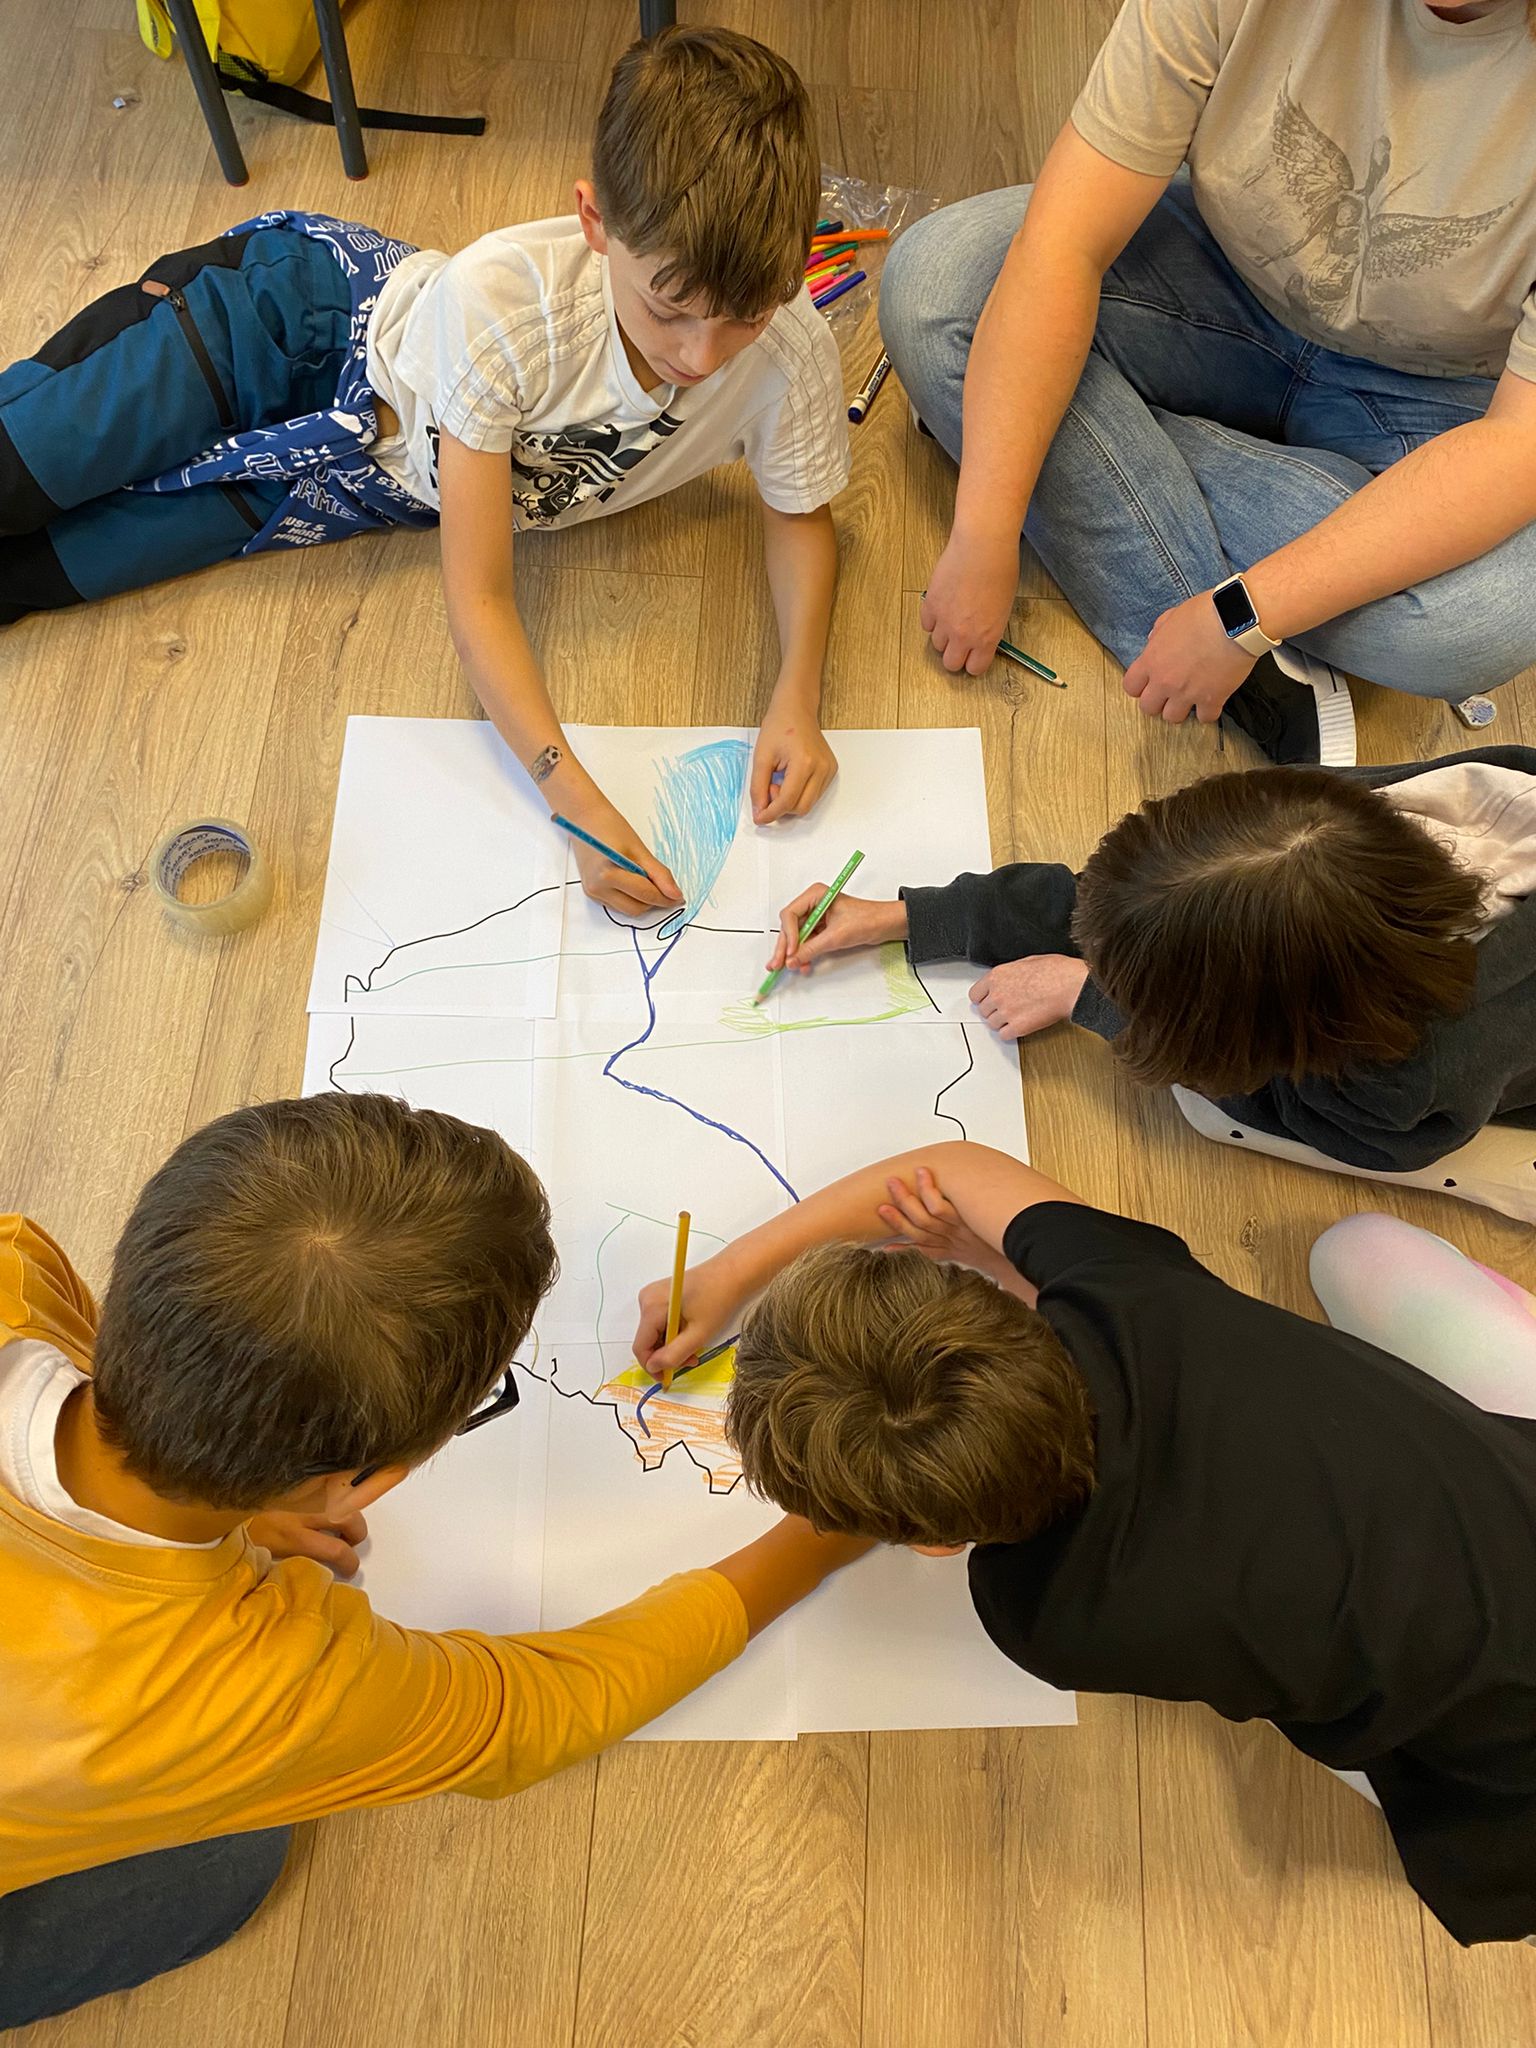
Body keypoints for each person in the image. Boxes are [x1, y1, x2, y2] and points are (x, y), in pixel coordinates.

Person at [0, 1093, 864, 2029]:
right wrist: (827, 1528)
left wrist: (235, 1495)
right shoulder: (260, 1692)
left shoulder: (17, 1265)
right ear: (357, 1485)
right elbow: (533, 1710)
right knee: (228, 1863)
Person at [0, 26, 847, 912]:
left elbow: (798, 513)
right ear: (595, 222)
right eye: (669, 310)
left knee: (35, 574)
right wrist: (577, 805)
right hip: (279, 324)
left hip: (351, 483)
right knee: (17, 476)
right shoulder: (504, 306)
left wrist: (797, 693)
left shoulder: (792, 353)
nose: (703, 357)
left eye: (745, 316)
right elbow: (479, 598)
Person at [633, 1140, 1536, 1947]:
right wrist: (738, 1272)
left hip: (1508, 1784)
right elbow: (954, 1168)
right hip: (1513, 1503)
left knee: (1406, 1759)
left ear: (938, 1545)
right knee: (1355, 1249)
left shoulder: (1049, 1615)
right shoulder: (1132, 1293)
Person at [880, 0, 1536, 766]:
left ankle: (1063, 426)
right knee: (936, 287)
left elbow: (1516, 443)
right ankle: (1289, 604)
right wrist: (984, 533)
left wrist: (1241, 616)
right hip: (1218, 273)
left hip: (1437, 387)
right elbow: (1063, 244)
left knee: (1478, 621)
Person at [765, 745, 1536, 1176]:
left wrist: (1087, 994)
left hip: (1476, 1089)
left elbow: (1346, 1130)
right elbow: (1147, 916)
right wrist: (915, 918)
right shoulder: (1324, 816)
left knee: (1204, 1115)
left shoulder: (1407, 1077)